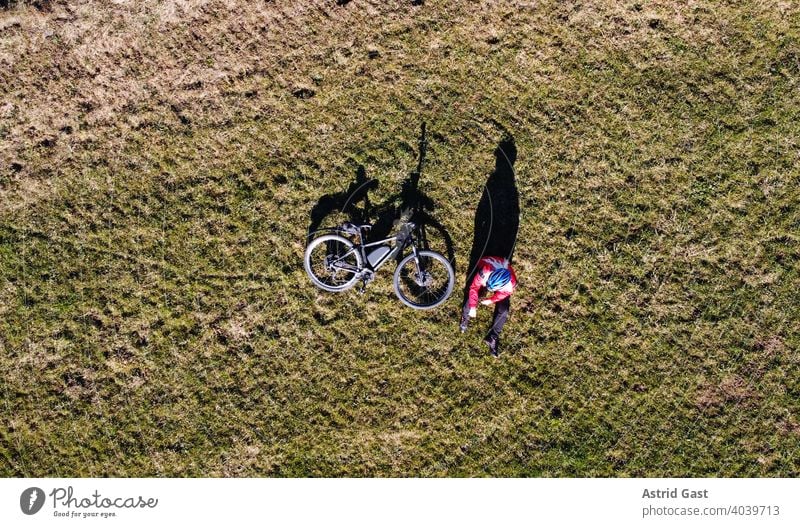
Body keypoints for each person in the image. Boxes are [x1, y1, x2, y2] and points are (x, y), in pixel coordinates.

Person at [460, 256, 517, 356]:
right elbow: (474, 287)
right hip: (488, 272)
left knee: (504, 310)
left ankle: (493, 337)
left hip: (499, 282)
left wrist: (491, 300)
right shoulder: (485, 270)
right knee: (471, 299)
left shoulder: (511, 284)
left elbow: (503, 294)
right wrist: (473, 307)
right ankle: (464, 318)